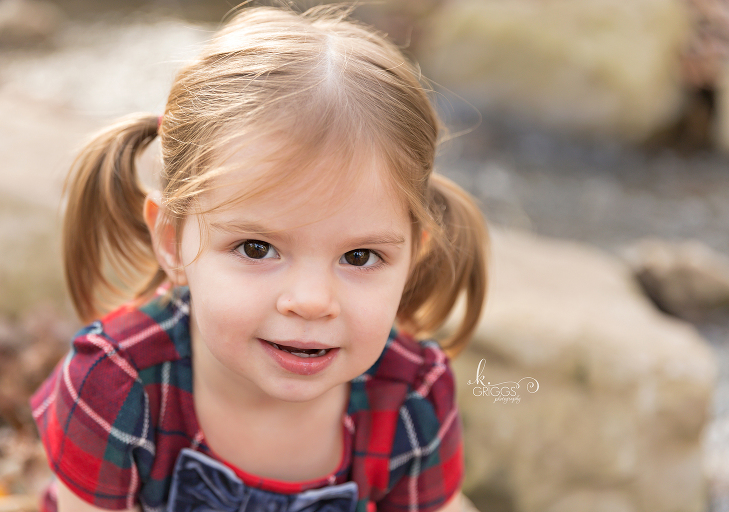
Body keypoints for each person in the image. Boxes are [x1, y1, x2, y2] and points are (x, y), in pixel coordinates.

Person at [30, 5, 488, 512]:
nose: (312, 302)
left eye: (360, 256)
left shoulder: (411, 399)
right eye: (256, 248)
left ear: (412, 258)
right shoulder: (118, 387)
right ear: (172, 239)